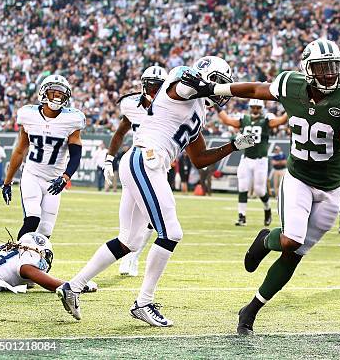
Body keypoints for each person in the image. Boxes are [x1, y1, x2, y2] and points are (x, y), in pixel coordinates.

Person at [186, 38, 340, 334]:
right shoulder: (291, 84)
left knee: (295, 253)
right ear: (307, 69)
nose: (330, 74)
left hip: (331, 187)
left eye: (334, 67)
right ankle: (266, 238)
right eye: (322, 68)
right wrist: (215, 89)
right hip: (298, 178)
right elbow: (254, 89)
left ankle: (251, 309)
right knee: (291, 239)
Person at [55, 57, 257, 327]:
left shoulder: (199, 110)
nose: (222, 90)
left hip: (145, 163)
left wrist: (232, 146)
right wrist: (213, 86)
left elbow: (199, 159)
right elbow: (185, 82)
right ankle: (144, 302)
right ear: (207, 77)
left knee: (129, 240)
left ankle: (73, 286)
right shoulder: (182, 87)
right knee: (171, 233)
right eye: (218, 82)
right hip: (146, 160)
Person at [1, 74, 85, 240]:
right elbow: (19, 151)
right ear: (44, 93)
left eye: (62, 94)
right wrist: (7, 181)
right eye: (55, 92)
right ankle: (17, 259)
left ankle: (35, 264)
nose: (58, 97)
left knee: (45, 231)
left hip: (55, 181)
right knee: (32, 219)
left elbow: (76, 155)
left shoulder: (72, 119)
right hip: (32, 175)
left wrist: (65, 178)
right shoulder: (28, 115)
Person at [103, 65, 168, 277]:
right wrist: (109, 158)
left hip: (158, 164)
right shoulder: (131, 105)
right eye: (150, 86)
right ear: (143, 86)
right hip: (136, 162)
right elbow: (120, 132)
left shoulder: (171, 107)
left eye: (159, 87)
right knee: (127, 220)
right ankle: (129, 252)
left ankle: (134, 256)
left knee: (153, 216)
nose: (154, 91)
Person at [216, 99, 288, 226]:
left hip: (261, 160)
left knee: (260, 190)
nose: (255, 110)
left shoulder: (267, 119)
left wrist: (292, 107)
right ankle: (241, 217)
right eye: (253, 107)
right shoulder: (244, 118)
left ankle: (267, 210)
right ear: (250, 107)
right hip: (246, 158)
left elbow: (281, 121)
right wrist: (216, 107)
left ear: (261, 108)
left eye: (257, 108)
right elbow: (227, 120)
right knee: (243, 187)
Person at [0, 232, 96, 293]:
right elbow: (51, 284)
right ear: (38, 250)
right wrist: (82, 286)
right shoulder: (26, 262)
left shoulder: (5, 248)